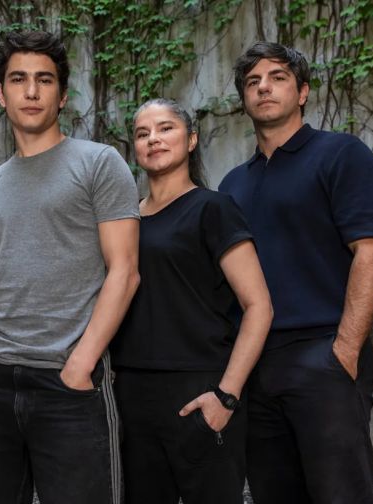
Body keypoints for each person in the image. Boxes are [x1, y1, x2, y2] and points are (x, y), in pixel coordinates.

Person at [0, 31, 140, 504]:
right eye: (18, 79)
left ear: (62, 95)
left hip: (67, 381)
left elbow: (124, 271)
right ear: (2, 94)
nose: (32, 91)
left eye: (45, 79)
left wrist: (82, 363)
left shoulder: (99, 163)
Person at [218, 42, 373, 504]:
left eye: (277, 77)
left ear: (303, 92)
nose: (263, 88)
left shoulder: (341, 154)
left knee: (340, 494)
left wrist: (344, 352)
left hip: (323, 353)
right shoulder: (233, 184)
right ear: (243, 99)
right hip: (256, 362)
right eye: (252, 82)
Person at [111, 99, 272, 503]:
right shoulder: (124, 221)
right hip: (132, 393)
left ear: (192, 140)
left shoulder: (214, 208)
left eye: (165, 128)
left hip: (201, 388)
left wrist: (226, 396)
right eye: (143, 133)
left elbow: (259, 307)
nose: (153, 139)